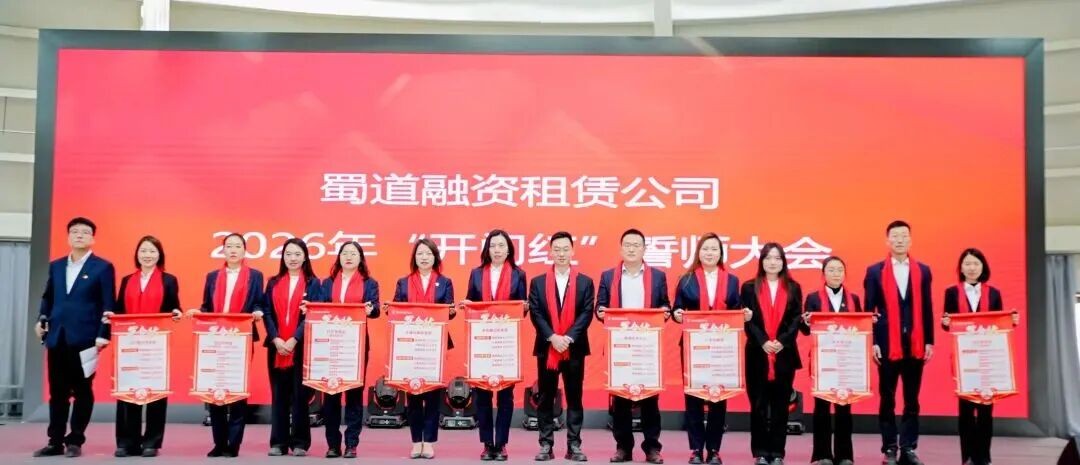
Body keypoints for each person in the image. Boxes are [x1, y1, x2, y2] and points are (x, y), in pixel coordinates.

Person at [33, 217, 116, 458]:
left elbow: (108, 303)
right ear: (68, 236)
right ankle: (55, 441)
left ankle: (75, 440)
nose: (79, 235)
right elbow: (48, 297)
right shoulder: (57, 266)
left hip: (86, 338)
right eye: (75, 232)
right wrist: (41, 319)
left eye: (85, 232)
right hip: (57, 336)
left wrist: (103, 334)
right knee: (57, 392)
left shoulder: (103, 267)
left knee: (82, 390)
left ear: (93, 238)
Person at [670, 233, 747, 465]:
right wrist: (677, 314)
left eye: (714, 249)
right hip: (694, 346)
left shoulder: (732, 280)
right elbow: (676, 309)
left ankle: (714, 449)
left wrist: (744, 314)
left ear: (721, 253)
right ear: (698, 253)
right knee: (693, 396)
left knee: (718, 396)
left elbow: (736, 310)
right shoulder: (686, 279)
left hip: (722, 347)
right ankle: (695, 449)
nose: (709, 253)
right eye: (705, 249)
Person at [596, 228, 670, 464]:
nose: (631, 249)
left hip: (647, 347)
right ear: (621, 248)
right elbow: (600, 306)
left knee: (650, 400)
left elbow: (665, 305)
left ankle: (652, 448)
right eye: (627, 244)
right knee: (621, 401)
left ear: (644, 249)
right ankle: (623, 448)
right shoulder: (608, 276)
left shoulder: (658, 277)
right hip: (621, 346)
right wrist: (600, 312)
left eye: (636, 245)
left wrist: (666, 312)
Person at [863, 220, 934, 465]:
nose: (900, 240)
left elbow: (927, 307)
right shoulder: (875, 271)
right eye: (895, 236)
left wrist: (929, 341)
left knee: (912, 399)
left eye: (904, 235)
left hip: (915, 343)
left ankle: (909, 447)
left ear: (910, 240)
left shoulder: (923, 271)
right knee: (887, 398)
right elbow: (868, 310)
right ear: (888, 240)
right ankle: (889, 448)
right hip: (886, 344)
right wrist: (872, 341)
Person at [106, 236, 182, 457]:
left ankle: (151, 442)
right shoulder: (127, 280)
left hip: (155, 344)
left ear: (159, 255)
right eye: (143, 251)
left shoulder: (169, 280)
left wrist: (176, 313)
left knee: (155, 392)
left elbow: (174, 307)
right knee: (127, 390)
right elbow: (119, 309)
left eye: (152, 251)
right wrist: (112, 315)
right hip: (129, 343)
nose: (147, 255)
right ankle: (126, 442)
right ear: (137, 254)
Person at [192, 232, 266, 458]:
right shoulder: (212, 276)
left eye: (237, 246)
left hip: (240, 338)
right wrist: (198, 313)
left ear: (244, 251)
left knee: (237, 389)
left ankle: (233, 443)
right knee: (215, 390)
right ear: (223, 250)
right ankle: (219, 442)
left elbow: (258, 303)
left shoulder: (255, 276)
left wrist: (258, 312)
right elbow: (207, 306)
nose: (233, 250)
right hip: (215, 338)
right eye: (229, 246)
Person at [941, 248, 1018, 465]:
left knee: (986, 410)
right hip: (964, 359)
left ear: (983, 267)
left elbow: (999, 324)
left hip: (988, 358)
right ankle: (967, 456)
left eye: (976, 263)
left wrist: (1011, 321)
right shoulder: (951, 292)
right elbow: (948, 323)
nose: (972, 268)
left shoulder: (993, 293)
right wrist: (945, 323)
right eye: (967, 264)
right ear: (961, 268)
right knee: (965, 411)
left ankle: (984, 456)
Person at [528, 231, 595, 463]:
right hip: (547, 348)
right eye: (556, 249)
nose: (561, 253)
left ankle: (574, 445)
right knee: (545, 397)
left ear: (572, 251)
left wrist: (567, 338)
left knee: (574, 397)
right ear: (550, 252)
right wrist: (552, 337)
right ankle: (546, 444)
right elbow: (536, 313)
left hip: (574, 348)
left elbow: (587, 313)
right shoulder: (538, 282)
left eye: (565, 249)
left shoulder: (585, 282)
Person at [312, 241, 380, 459]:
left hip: (355, 346)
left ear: (360, 258)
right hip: (329, 343)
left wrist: (370, 309)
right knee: (330, 394)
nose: (348, 257)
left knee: (353, 395)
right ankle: (333, 444)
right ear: (339, 257)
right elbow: (319, 308)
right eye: (345, 253)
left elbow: (376, 309)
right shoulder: (327, 283)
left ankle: (351, 443)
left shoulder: (370, 283)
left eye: (353, 253)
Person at [464, 230, 527, 461]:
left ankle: (501, 444)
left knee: (505, 397)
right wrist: (468, 304)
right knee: (482, 396)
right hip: (482, 342)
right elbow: (471, 301)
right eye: (493, 246)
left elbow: (522, 309)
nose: (497, 250)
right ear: (487, 249)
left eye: (501, 245)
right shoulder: (477, 273)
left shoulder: (519, 274)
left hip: (505, 343)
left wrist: (525, 307)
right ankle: (487, 443)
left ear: (508, 249)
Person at [393, 238, 456, 459]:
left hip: (434, 346)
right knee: (412, 394)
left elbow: (450, 310)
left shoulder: (445, 282)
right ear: (414, 257)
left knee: (432, 396)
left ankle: (428, 442)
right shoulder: (403, 282)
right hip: (410, 345)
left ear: (435, 257)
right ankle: (415, 441)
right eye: (420, 253)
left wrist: (450, 311)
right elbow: (396, 308)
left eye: (428, 254)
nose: (424, 257)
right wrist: (390, 310)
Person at [742, 242, 803, 465]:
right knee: (758, 405)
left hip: (784, 355)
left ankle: (777, 453)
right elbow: (747, 320)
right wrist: (763, 342)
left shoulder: (793, 288)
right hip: (757, 354)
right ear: (761, 261)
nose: (772, 262)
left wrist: (782, 342)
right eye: (768, 258)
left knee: (780, 407)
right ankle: (760, 452)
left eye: (777, 258)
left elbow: (795, 319)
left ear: (783, 262)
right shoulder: (749, 287)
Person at [262, 238, 322, 457]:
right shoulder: (273, 282)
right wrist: (276, 339)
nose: (293, 258)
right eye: (288, 254)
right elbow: (267, 312)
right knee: (279, 395)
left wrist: (295, 339)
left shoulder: (314, 283)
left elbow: (313, 313)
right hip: (276, 347)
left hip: (301, 346)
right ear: (283, 257)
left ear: (305, 257)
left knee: (300, 396)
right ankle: (278, 442)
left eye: (297, 254)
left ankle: (300, 442)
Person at [801, 256, 863, 465]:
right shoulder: (813, 298)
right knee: (822, 408)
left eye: (839, 270)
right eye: (831, 270)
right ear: (823, 274)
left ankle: (845, 455)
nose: (836, 274)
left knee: (845, 406)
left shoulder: (854, 299)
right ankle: (822, 454)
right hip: (823, 360)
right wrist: (806, 321)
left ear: (844, 274)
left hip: (846, 360)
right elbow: (805, 329)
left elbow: (859, 329)